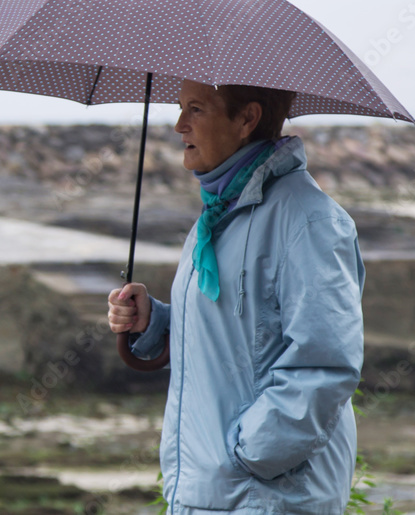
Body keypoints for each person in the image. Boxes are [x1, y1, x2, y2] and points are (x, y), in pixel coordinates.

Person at [108, 79, 365, 514]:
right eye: (179, 109)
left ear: (247, 118)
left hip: (265, 498)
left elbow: (325, 364)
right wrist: (153, 322)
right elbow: (239, 335)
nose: (178, 126)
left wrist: (249, 454)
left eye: (196, 109)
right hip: (206, 493)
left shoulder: (309, 221)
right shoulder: (218, 216)